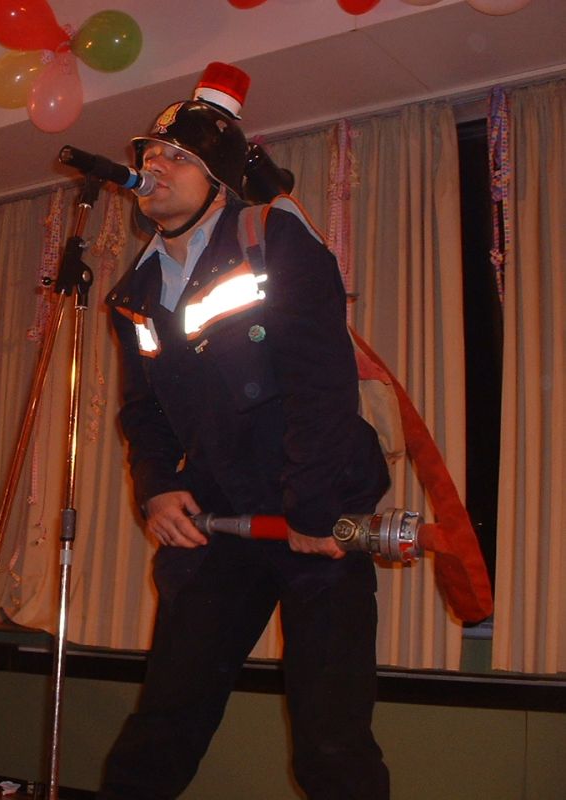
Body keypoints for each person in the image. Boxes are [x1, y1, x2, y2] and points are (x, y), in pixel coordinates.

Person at [97, 62, 391, 800]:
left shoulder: (275, 240)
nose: (152, 166)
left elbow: (321, 382)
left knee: (330, 740)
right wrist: (156, 487)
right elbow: (142, 409)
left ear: (220, 182)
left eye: (176, 157)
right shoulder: (134, 295)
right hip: (217, 515)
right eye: (149, 154)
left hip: (317, 501)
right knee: (164, 722)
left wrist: (315, 510)